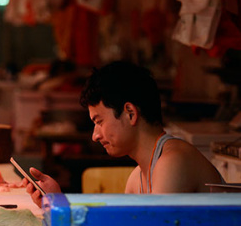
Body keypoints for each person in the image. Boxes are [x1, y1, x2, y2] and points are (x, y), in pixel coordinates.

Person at [25, 60, 224, 207]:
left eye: (99, 121)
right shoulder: (137, 178)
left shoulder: (173, 162)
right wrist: (58, 204)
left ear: (130, 113)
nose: (95, 135)